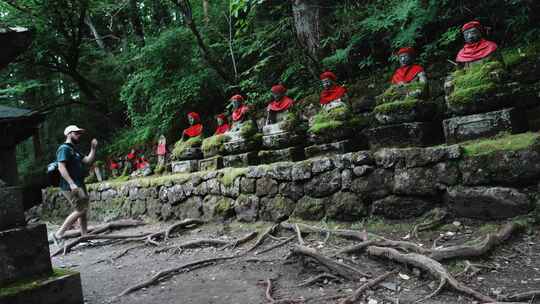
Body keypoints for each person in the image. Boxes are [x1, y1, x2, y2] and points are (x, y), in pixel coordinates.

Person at [50, 125, 98, 247]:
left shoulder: (74, 149)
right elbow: (61, 167)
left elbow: (88, 161)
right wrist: (71, 183)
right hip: (70, 185)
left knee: (83, 210)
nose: (78, 135)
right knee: (80, 210)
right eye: (76, 133)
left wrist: (93, 148)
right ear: (68, 134)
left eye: (79, 133)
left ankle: (84, 237)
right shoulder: (64, 148)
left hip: (79, 184)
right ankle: (58, 234)